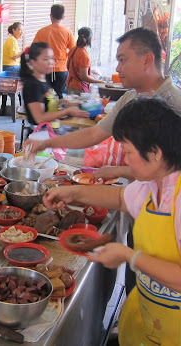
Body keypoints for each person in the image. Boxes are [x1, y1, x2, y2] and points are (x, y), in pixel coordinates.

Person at [44, 97, 181, 346]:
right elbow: (120, 197)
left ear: (155, 152)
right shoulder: (153, 185)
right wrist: (72, 193)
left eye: (128, 152)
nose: (125, 161)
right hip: (149, 322)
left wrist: (130, 256)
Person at [25, 27, 181, 178]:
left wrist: (120, 171)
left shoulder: (177, 104)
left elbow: (170, 171)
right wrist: (45, 143)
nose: (118, 68)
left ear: (147, 60)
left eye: (122, 60)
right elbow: (94, 134)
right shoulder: (130, 98)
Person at [20, 42, 88, 127]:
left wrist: (65, 102)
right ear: (33, 62)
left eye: (52, 58)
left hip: (51, 130)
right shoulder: (32, 85)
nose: (51, 62)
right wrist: (67, 111)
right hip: (39, 135)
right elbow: (39, 118)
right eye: (46, 59)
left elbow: (46, 102)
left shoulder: (44, 79)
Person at [33, 4, 75, 98]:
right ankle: (59, 112)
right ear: (63, 17)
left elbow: (34, 50)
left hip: (45, 69)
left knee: (45, 96)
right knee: (59, 96)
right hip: (61, 69)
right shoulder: (67, 32)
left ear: (50, 16)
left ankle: (46, 112)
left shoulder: (41, 32)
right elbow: (73, 51)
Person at [67, 27, 104, 94]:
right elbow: (84, 77)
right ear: (90, 39)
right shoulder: (83, 55)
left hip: (70, 84)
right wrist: (100, 82)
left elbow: (68, 66)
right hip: (79, 89)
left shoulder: (73, 50)